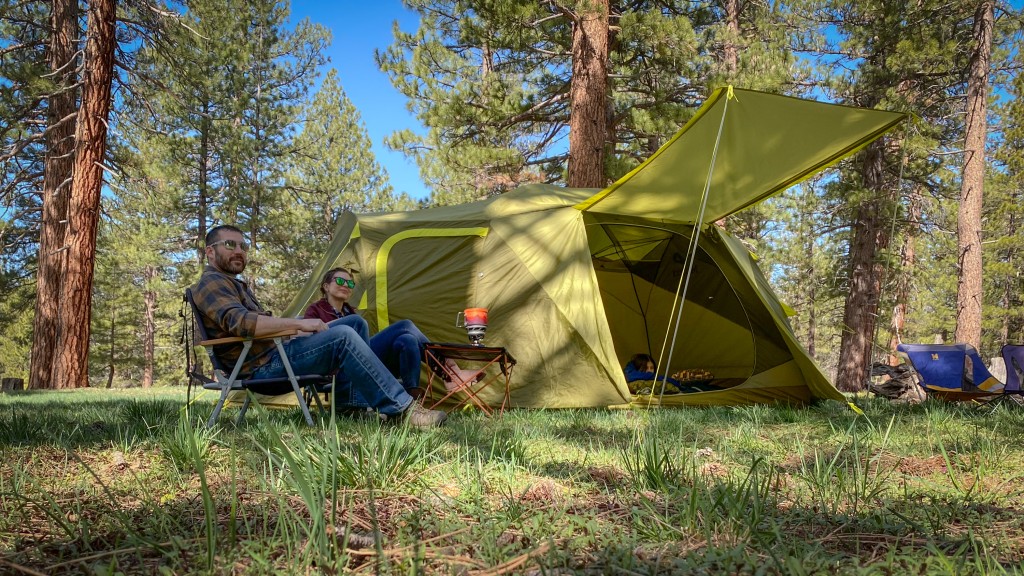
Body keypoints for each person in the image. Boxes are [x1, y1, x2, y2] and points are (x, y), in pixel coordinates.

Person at [190, 225, 447, 428]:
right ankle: (402, 409)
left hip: (276, 354)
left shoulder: (232, 283)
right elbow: (242, 324)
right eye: (230, 244)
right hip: (261, 368)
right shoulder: (211, 283)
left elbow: (252, 325)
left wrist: (297, 329)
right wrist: (301, 323)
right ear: (210, 252)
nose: (239, 251)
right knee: (343, 335)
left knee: (356, 322)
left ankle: (354, 402)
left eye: (243, 246)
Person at [304, 267, 479, 394]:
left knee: (407, 340)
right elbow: (308, 342)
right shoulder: (315, 311)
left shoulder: (351, 312)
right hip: (339, 366)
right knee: (405, 325)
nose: (346, 285)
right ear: (326, 286)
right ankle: (450, 373)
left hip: (361, 361)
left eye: (350, 283)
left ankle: (411, 401)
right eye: (340, 281)